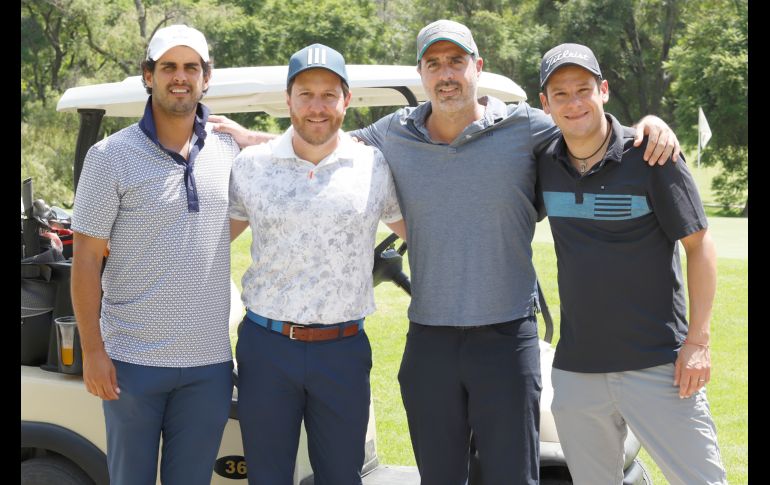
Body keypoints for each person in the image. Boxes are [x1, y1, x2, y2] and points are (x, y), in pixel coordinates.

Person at [212, 20, 680, 485]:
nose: (446, 73)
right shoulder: (394, 133)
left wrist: (646, 125)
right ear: (422, 73)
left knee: (511, 475)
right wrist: (253, 140)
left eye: (457, 61)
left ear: (477, 66)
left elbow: (585, 123)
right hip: (429, 339)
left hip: (504, 336)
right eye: (434, 63)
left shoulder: (525, 127)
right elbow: (323, 138)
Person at [536, 43, 727, 484]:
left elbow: (699, 246)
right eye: (560, 94)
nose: (573, 103)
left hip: (660, 367)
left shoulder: (653, 155)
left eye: (583, 89)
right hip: (578, 372)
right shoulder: (543, 161)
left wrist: (698, 342)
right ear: (544, 104)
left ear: (603, 91)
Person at [228, 43, 405, 485]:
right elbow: (208, 243)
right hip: (267, 347)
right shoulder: (251, 165)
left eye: (329, 94)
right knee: (266, 476)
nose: (317, 107)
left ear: (347, 100)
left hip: (342, 351)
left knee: (342, 477)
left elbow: (420, 235)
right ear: (287, 100)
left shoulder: (374, 165)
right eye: (305, 93)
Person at [71, 24, 240, 485]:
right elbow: (85, 258)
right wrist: (92, 351)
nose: (179, 77)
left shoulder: (227, 149)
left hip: (208, 367)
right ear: (149, 75)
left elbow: (297, 153)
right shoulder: (110, 156)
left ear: (207, 77)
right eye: (168, 67)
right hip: (131, 365)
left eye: (191, 67)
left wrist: (254, 138)